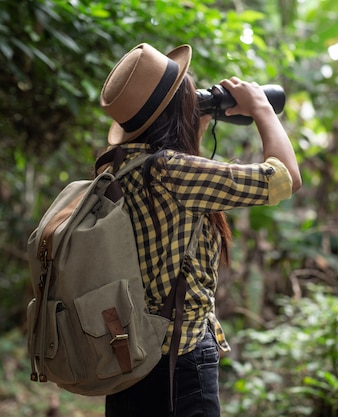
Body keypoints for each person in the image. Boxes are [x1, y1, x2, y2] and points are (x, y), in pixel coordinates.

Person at [98, 42, 302, 417]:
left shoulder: (115, 167)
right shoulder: (172, 171)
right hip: (180, 358)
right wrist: (260, 108)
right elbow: (285, 179)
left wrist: (194, 121)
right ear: (178, 109)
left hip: (128, 355)